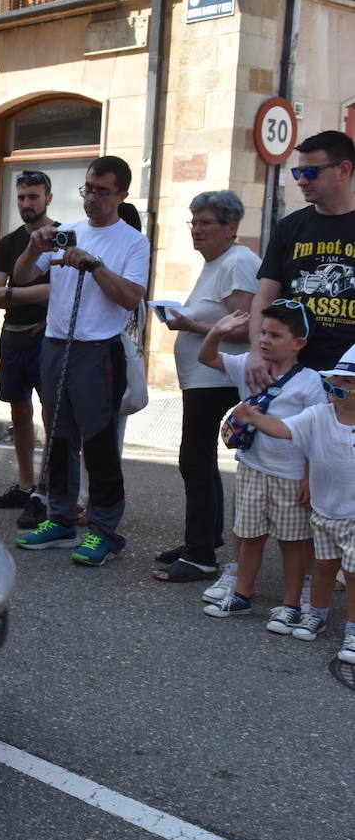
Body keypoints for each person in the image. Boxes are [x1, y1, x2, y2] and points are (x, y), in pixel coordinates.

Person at [12, 156, 150, 566]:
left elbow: (130, 297)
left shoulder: (133, 241)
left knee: (99, 442)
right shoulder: (66, 231)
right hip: (54, 345)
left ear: (122, 195)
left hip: (97, 350)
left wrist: (93, 263)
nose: (92, 198)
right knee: (58, 436)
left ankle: (105, 530)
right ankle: (61, 519)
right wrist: (34, 245)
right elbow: (21, 277)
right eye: (88, 189)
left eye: (102, 191)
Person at [149, 190, 259, 582]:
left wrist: (189, 324)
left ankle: (200, 555)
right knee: (199, 461)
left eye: (205, 223)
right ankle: (202, 541)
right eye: (193, 222)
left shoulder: (238, 261)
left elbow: (246, 326)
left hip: (217, 377)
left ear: (231, 227)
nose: (196, 230)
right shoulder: (216, 263)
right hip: (202, 379)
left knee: (193, 460)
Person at [193, 304, 325, 625]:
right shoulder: (248, 367)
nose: (265, 340)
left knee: (292, 544)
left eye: (275, 335)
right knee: (250, 537)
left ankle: (291, 605)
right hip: (252, 469)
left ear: (299, 343)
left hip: (291, 478)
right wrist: (218, 331)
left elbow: (314, 435)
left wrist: (310, 479)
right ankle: (241, 595)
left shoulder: (310, 383)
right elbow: (206, 358)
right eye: (263, 332)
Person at [232, 341, 355, 664]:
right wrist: (255, 419)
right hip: (325, 511)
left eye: (347, 382)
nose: (336, 386)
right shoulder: (318, 415)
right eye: (333, 380)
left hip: (353, 515)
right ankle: (317, 612)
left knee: (353, 574)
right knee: (325, 566)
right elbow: (285, 429)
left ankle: (353, 631)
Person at [247, 130, 355, 387]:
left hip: (349, 374)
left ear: (343, 170)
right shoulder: (290, 227)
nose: (301, 181)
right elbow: (264, 296)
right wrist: (257, 352)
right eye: (298, 173)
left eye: (311, 172)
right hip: (291, 371)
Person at [0, 171, 56, 515]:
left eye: (34, 197)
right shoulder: (9, 241)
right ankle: (26, 486)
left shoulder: (61, 238)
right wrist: (25, 295)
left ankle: (46, 491)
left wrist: (12, 292)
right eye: (22, 197)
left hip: (46, 338)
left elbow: (55, 294)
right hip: (12, 338)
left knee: (51, 414)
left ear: (48, 199)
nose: (27, 203)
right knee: (19, 412)